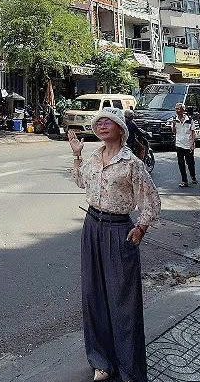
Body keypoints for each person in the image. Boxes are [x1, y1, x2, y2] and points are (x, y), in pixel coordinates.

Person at [69, 107, 161, 382]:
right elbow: (80, 181)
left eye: (108, 122)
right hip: (92, 226)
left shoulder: (132, 163)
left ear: (121, 129)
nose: (102, 125)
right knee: (93, 295)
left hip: (119, 230)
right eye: (99, 122)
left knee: (123, 301)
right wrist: (76, 155)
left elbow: (151, 201)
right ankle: (101, 361)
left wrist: (141, 227)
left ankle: (129, 369)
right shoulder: (94, 157)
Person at [172, 102, 197, 187]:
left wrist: (192, 144)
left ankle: (193, 176)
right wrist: (173, 125)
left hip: (188, 144)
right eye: (176, 109)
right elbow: (174, 132)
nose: (177, 110)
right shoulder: (174, 119)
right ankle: (184, 180)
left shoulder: (189, 120)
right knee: (181, 164)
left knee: (190, 163)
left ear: (183, 110)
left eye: (178, 109)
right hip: (179, 144)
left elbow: (193, 133)